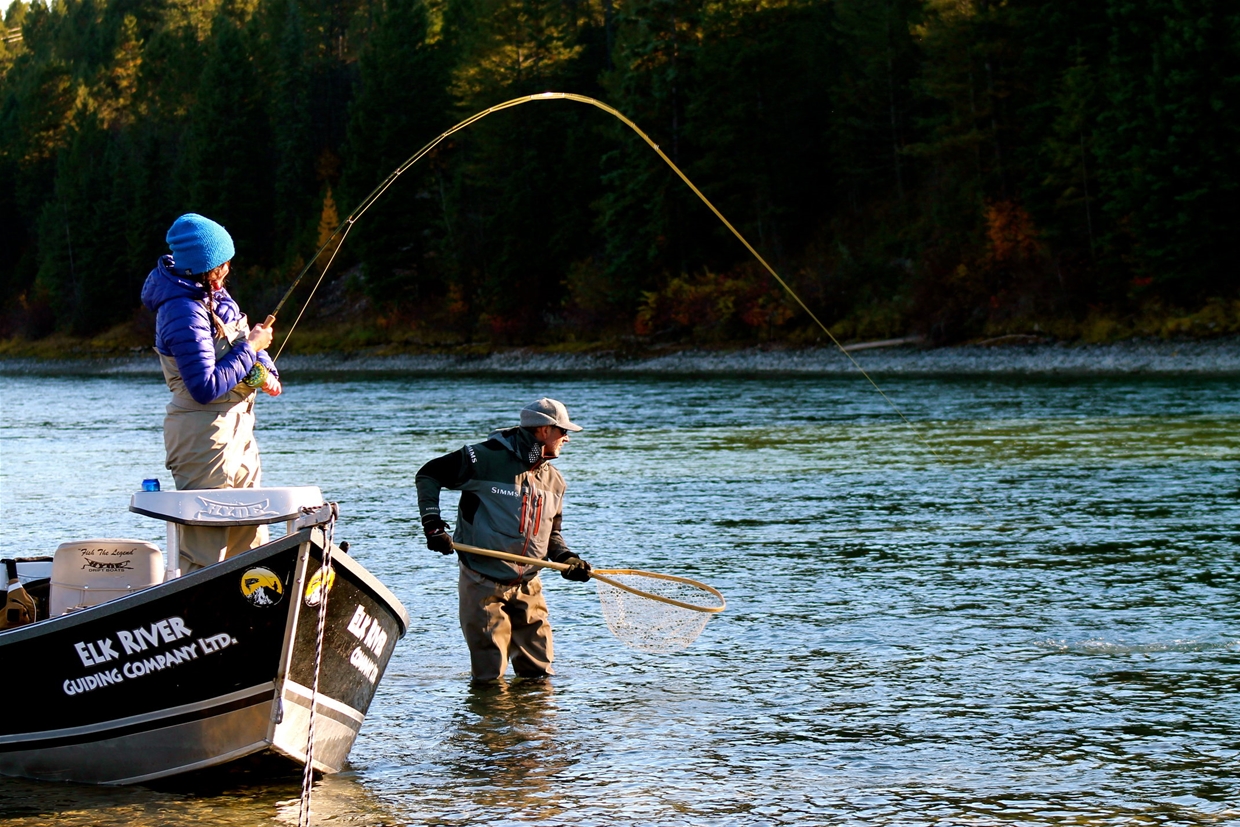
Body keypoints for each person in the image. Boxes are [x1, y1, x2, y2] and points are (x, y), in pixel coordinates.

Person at [140, 213, 281, 572]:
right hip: (202, 438)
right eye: (223, 262)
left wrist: (266, 372)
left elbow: (245, 342)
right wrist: (251, 347)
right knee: (205, 549)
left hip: (240, 432)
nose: (228, 268)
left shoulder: (215, 295)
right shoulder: (181, 312)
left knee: (250, 539)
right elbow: (204, 387)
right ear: (205, 266)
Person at [416, 398, 592, 681]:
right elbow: (428, 474)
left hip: (529, 587)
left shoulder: (555, 481)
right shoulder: (483, 458)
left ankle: (535, 725)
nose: (567, 438)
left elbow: (552, 534)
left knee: (540, 676)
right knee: (490, 679)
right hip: (482, 584)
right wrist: (433, 525)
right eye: (562, 431)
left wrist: (565, 558)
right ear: (544, 430)